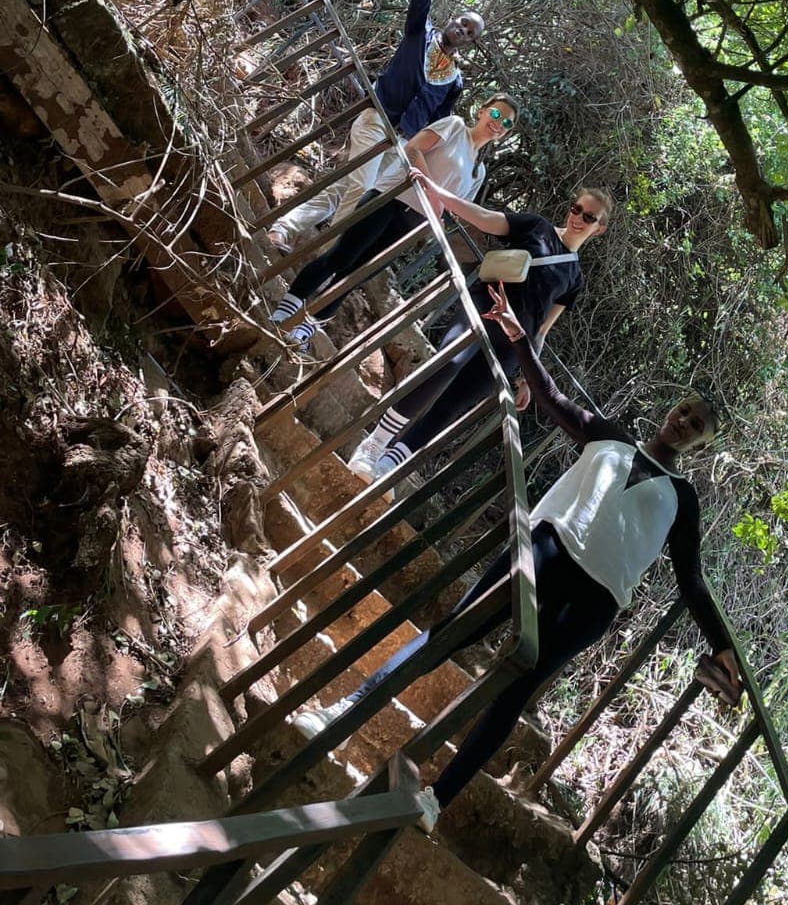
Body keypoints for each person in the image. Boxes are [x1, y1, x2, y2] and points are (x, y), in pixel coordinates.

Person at [295, 282, 742, 830]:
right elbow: (552, 399)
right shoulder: (611, 435)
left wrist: (723, 647)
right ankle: (345, 710)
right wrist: (520, 337)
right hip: (547, 548)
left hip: (595, 599)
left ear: (700, 443)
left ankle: (438, 797)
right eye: (684, 411)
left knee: (517, 687)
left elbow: (691, 580)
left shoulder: (684, 498)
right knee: (452, 631)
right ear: (671, 409)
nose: (684, 423)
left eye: (696, 426)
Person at [345, 180, 613, 482]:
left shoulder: (574, 278)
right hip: (483, 307)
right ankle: (374, 444)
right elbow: (486, 219)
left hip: (511, 344)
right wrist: (438, 191)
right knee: (447, 365)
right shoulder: (537, 227)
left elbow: (541, 329)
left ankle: (389, 464)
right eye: (576, 209)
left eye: (588, 217)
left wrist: (529, 377)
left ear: (599, 228)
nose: (578, 218)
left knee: (455, 402)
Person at [268, 0, 485, 250]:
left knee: (347, 185)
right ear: (452, 18)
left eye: (469, 32)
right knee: (361, 185)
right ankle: (320, 254)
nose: (462, 30)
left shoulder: (454, 82)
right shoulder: (421, 33)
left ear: (470, 41)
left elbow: (437, 125)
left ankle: (285, 228)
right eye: (462, 22)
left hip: (402, 143)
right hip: (376, 119)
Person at [270, 94, 519, 354]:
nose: (498, 123)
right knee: (341, 257)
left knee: (356, 275)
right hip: (389, 199)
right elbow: (413, 148)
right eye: (495, 114)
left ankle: (303, 329)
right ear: (482, 111)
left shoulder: (478, 171)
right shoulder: (455, 126)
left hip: (412, 223)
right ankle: (285, 310)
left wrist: (440, 217)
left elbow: (455, 206)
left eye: (506, 123)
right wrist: (431, 190)